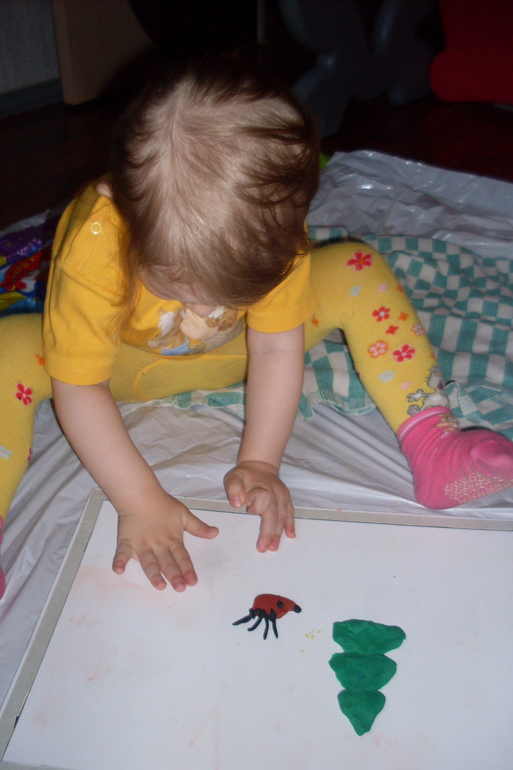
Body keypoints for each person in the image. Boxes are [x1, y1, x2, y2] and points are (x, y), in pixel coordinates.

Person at [1, 58, 512, 598]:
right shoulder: (95, 240)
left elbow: (274, 348)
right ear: (120, 206)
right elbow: (80, 387)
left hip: (241, 350)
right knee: (9, 348)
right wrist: (140, 500)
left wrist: (261, 461)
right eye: (180, 285)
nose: (208, 307)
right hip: (124, 368)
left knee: (355, 266)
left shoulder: (271, 222)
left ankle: (433, 441)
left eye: (232, 291)